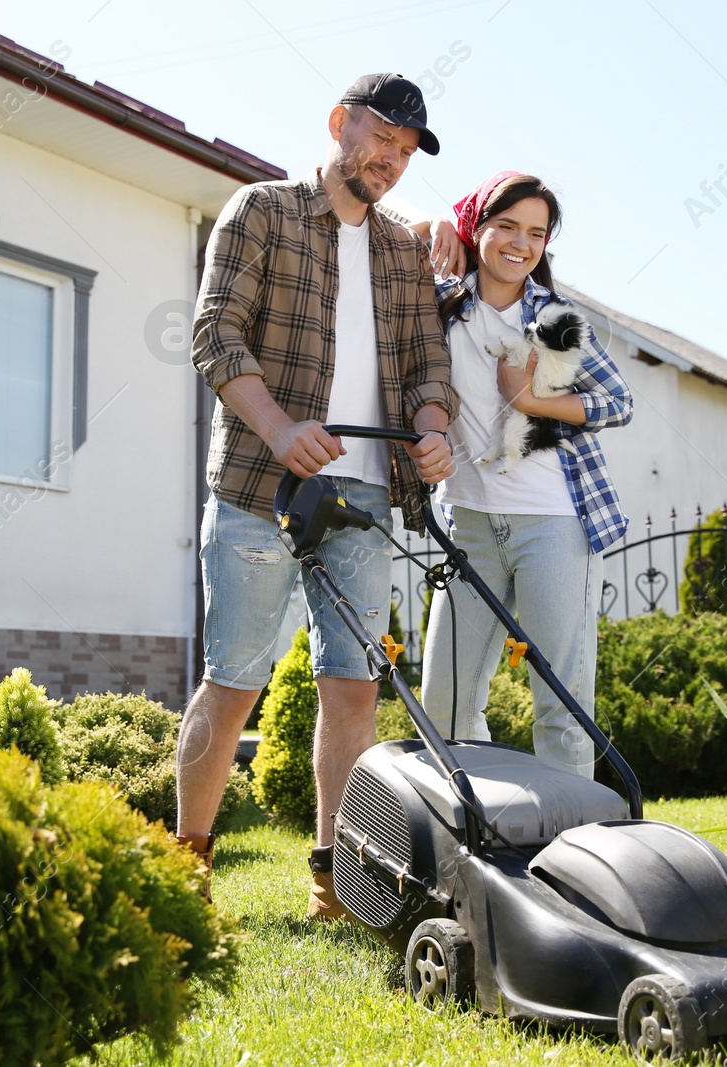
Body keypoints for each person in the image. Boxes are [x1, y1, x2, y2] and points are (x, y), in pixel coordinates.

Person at [179, 74, 457, 920]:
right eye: (382, 139)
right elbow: (215, 332)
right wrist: (279, 427)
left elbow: (425, 365)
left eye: (408, 152)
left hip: (366, 495)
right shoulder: (259, 211)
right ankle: (185, 863)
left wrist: (435, 426)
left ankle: (334, 880)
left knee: (353, 687)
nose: (392, 161)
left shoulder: (405, 250)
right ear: (340, 124)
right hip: (262, 486)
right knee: (234, 681)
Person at [413, 171, 633, 779]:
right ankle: (479, 830)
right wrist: (435, 225)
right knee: (446, 702)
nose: (521, 243)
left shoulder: (554, 319)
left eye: (536, 233)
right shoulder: (441, 303)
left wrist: (534, 403)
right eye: (506, 226)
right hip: (472, 524)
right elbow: (379, 246)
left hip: (554, 524)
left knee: (560, 704)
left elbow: (618, 403)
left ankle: (571, 852)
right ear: (476, 229)